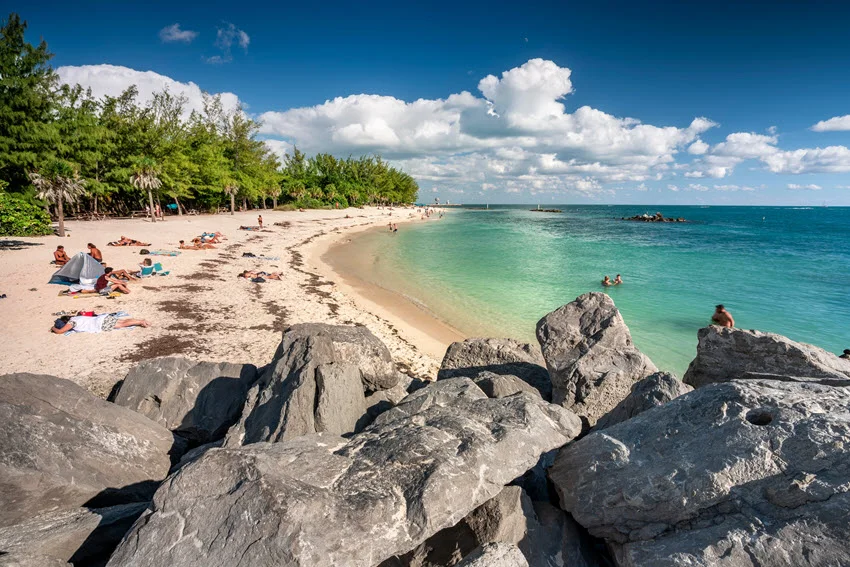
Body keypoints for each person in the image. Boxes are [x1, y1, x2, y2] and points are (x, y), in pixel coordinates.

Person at [51, 313, 150, 334]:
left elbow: (60, 331)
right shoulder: (76, 317)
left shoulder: (72, 322)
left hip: (100, 324)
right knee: (122, 321)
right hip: (101, 318)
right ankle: (140, 320)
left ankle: (141, 322)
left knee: (122, 324)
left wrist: (53, 328)